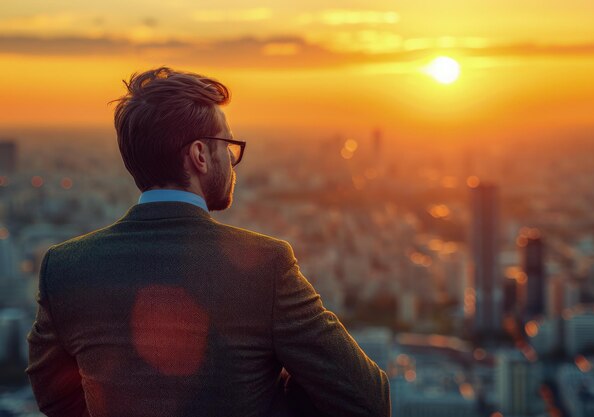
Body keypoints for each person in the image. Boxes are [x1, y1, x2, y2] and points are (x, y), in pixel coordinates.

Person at [26, 67, 390, 417]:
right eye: (227, 146)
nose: (232, 161)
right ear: (199, 155)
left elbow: (54, 396)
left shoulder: (66, 267)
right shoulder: (267, 266)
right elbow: (367, 400)